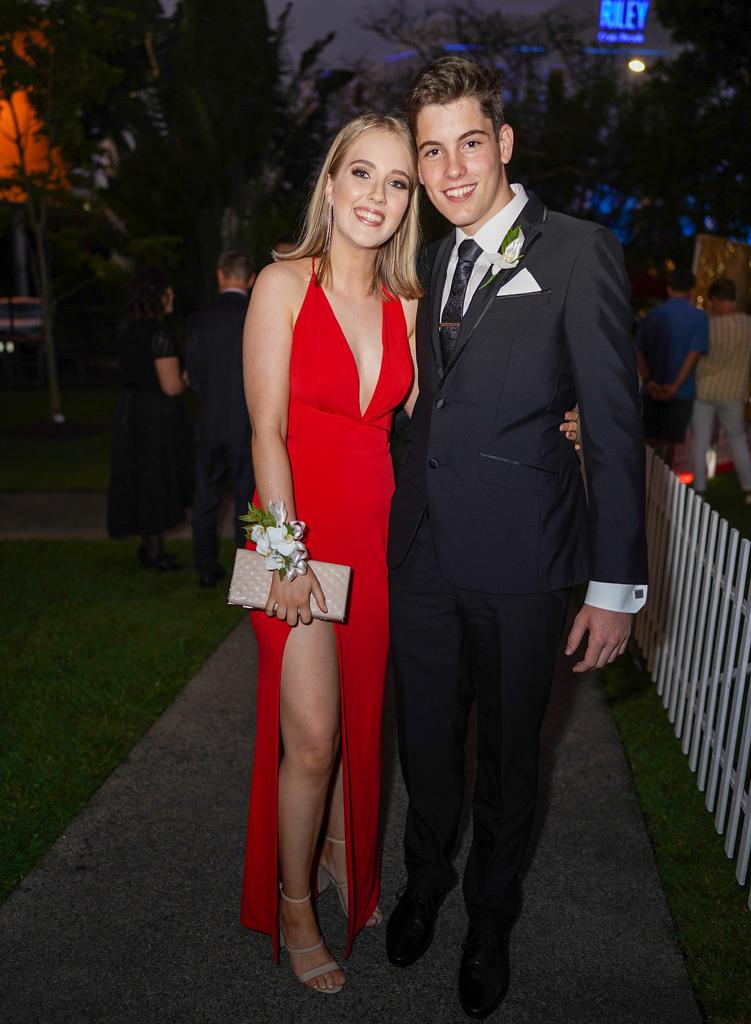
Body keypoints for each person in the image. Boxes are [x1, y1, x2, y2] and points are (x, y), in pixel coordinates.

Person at [385, 57, 648, 1020]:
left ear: (503, 144)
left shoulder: (579, 250)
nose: (452, 169)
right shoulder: (426, 255)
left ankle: (491, 920)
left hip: (526, 560)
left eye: (469, 143)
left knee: (508, 762)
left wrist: (615, 586)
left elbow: (615, 424)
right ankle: (426, 882)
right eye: (432, 150)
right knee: (426, 745)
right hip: (420, 555)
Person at [239, 113, 422, 994]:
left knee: (358, 724)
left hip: (377, 540)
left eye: (396, 182)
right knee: (312, 740)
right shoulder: (281, 283)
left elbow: (450, 414)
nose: (376, 196)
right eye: (362, 173)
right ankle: (295, 903)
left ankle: (350, 857)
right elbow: (266, 432)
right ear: (330, 182)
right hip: (294, 535)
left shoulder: (409, 303)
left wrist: (558, 421)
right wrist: (283, 554)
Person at [107, 268, 192, 568]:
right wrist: (187, 377)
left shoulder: (129, 329)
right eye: (168, 291)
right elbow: (170, 386)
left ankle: (148, 546)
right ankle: (154, 553)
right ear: (156, 296)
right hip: (154, 415)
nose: (172, 296)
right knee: (156, 478)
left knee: (141, 478)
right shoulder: (159, 333)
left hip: (131, 411)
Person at [186, 250, 256, 587]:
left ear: (220, 275)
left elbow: (195, 378)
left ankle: (206, 568)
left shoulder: (200, 319)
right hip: (248, 426)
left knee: (206, 500)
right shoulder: (258, 314)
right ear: (251, 279)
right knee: (247, 502)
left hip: (210, 425)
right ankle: (246, 579)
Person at [692, 277, 751, 504]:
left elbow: (695, 356)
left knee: (700, 441)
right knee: (738, 440)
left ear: (715, 299)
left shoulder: (706, 323)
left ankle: (699, 490)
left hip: (703, 390)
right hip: (735, 391)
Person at [636, 267, 709, 464]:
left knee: (647, 444)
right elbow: (693, 355)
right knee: (668, 450)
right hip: (681, 392)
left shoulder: (651, 315)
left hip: (652, 389)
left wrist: (649, 381)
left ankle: (645, 488)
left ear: (669, 288)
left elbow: (638, 351)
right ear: (691, 290)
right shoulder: (698, 317)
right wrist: (675, 387)